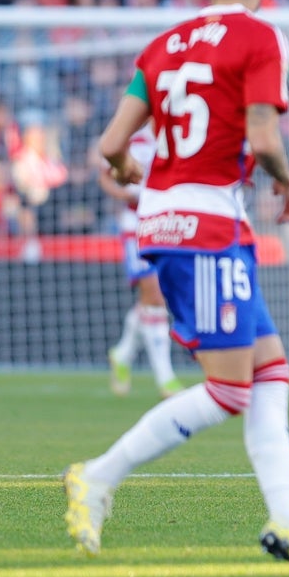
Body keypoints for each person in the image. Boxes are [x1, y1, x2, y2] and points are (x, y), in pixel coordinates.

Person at [63, 0, 289, 577]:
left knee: (271, 369)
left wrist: (126, 164)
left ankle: (288, 521)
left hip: (164, 215)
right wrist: (288, 180)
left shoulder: (162, 45)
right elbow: (261, 132)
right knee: (228, 390)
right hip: (207, 223)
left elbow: (112, 143)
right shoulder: (260, 37)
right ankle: (97, 475)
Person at [100, 124, 183, 399]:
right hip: (135, 225)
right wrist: (122, 193)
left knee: (152, 299)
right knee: (155, 296)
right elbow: (105, 174)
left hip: (166, 223)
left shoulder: (175, 133)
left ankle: (123, 353)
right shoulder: (130, 136)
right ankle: (165, 378)